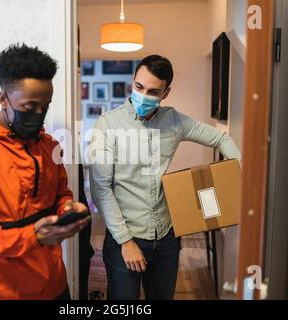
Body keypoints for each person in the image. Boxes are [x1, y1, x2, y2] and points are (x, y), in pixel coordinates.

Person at [89, 55, 241, 300]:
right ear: (133, 81)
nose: (143, 95)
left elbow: (221, 138)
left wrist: (238, 175)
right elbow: (101, 188)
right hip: (124, 240)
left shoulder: (175, 121)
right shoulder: (108, 124)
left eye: (153, 91)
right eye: (139, 87)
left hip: (167, 238)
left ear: (165, 93)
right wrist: (126, 242)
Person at [0, 43, 90, 300]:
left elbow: (61, 194)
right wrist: (32, 236)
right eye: (29, 107)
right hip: (2, 293)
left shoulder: (50, 146)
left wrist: (69, 208)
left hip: (57, 285)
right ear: (3, 99)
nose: (39, 115)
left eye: (45, 107)